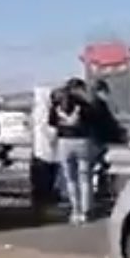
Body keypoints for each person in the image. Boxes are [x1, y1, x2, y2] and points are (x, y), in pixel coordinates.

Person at [49, 81, 96, 225]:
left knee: (70, 179)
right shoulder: (84, 105)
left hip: (65, 142)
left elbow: (52, 126)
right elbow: (93, 121)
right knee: (85, 178)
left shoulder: (57, 106)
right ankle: (86, 212)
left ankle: (75, 211)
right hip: (82, 141)